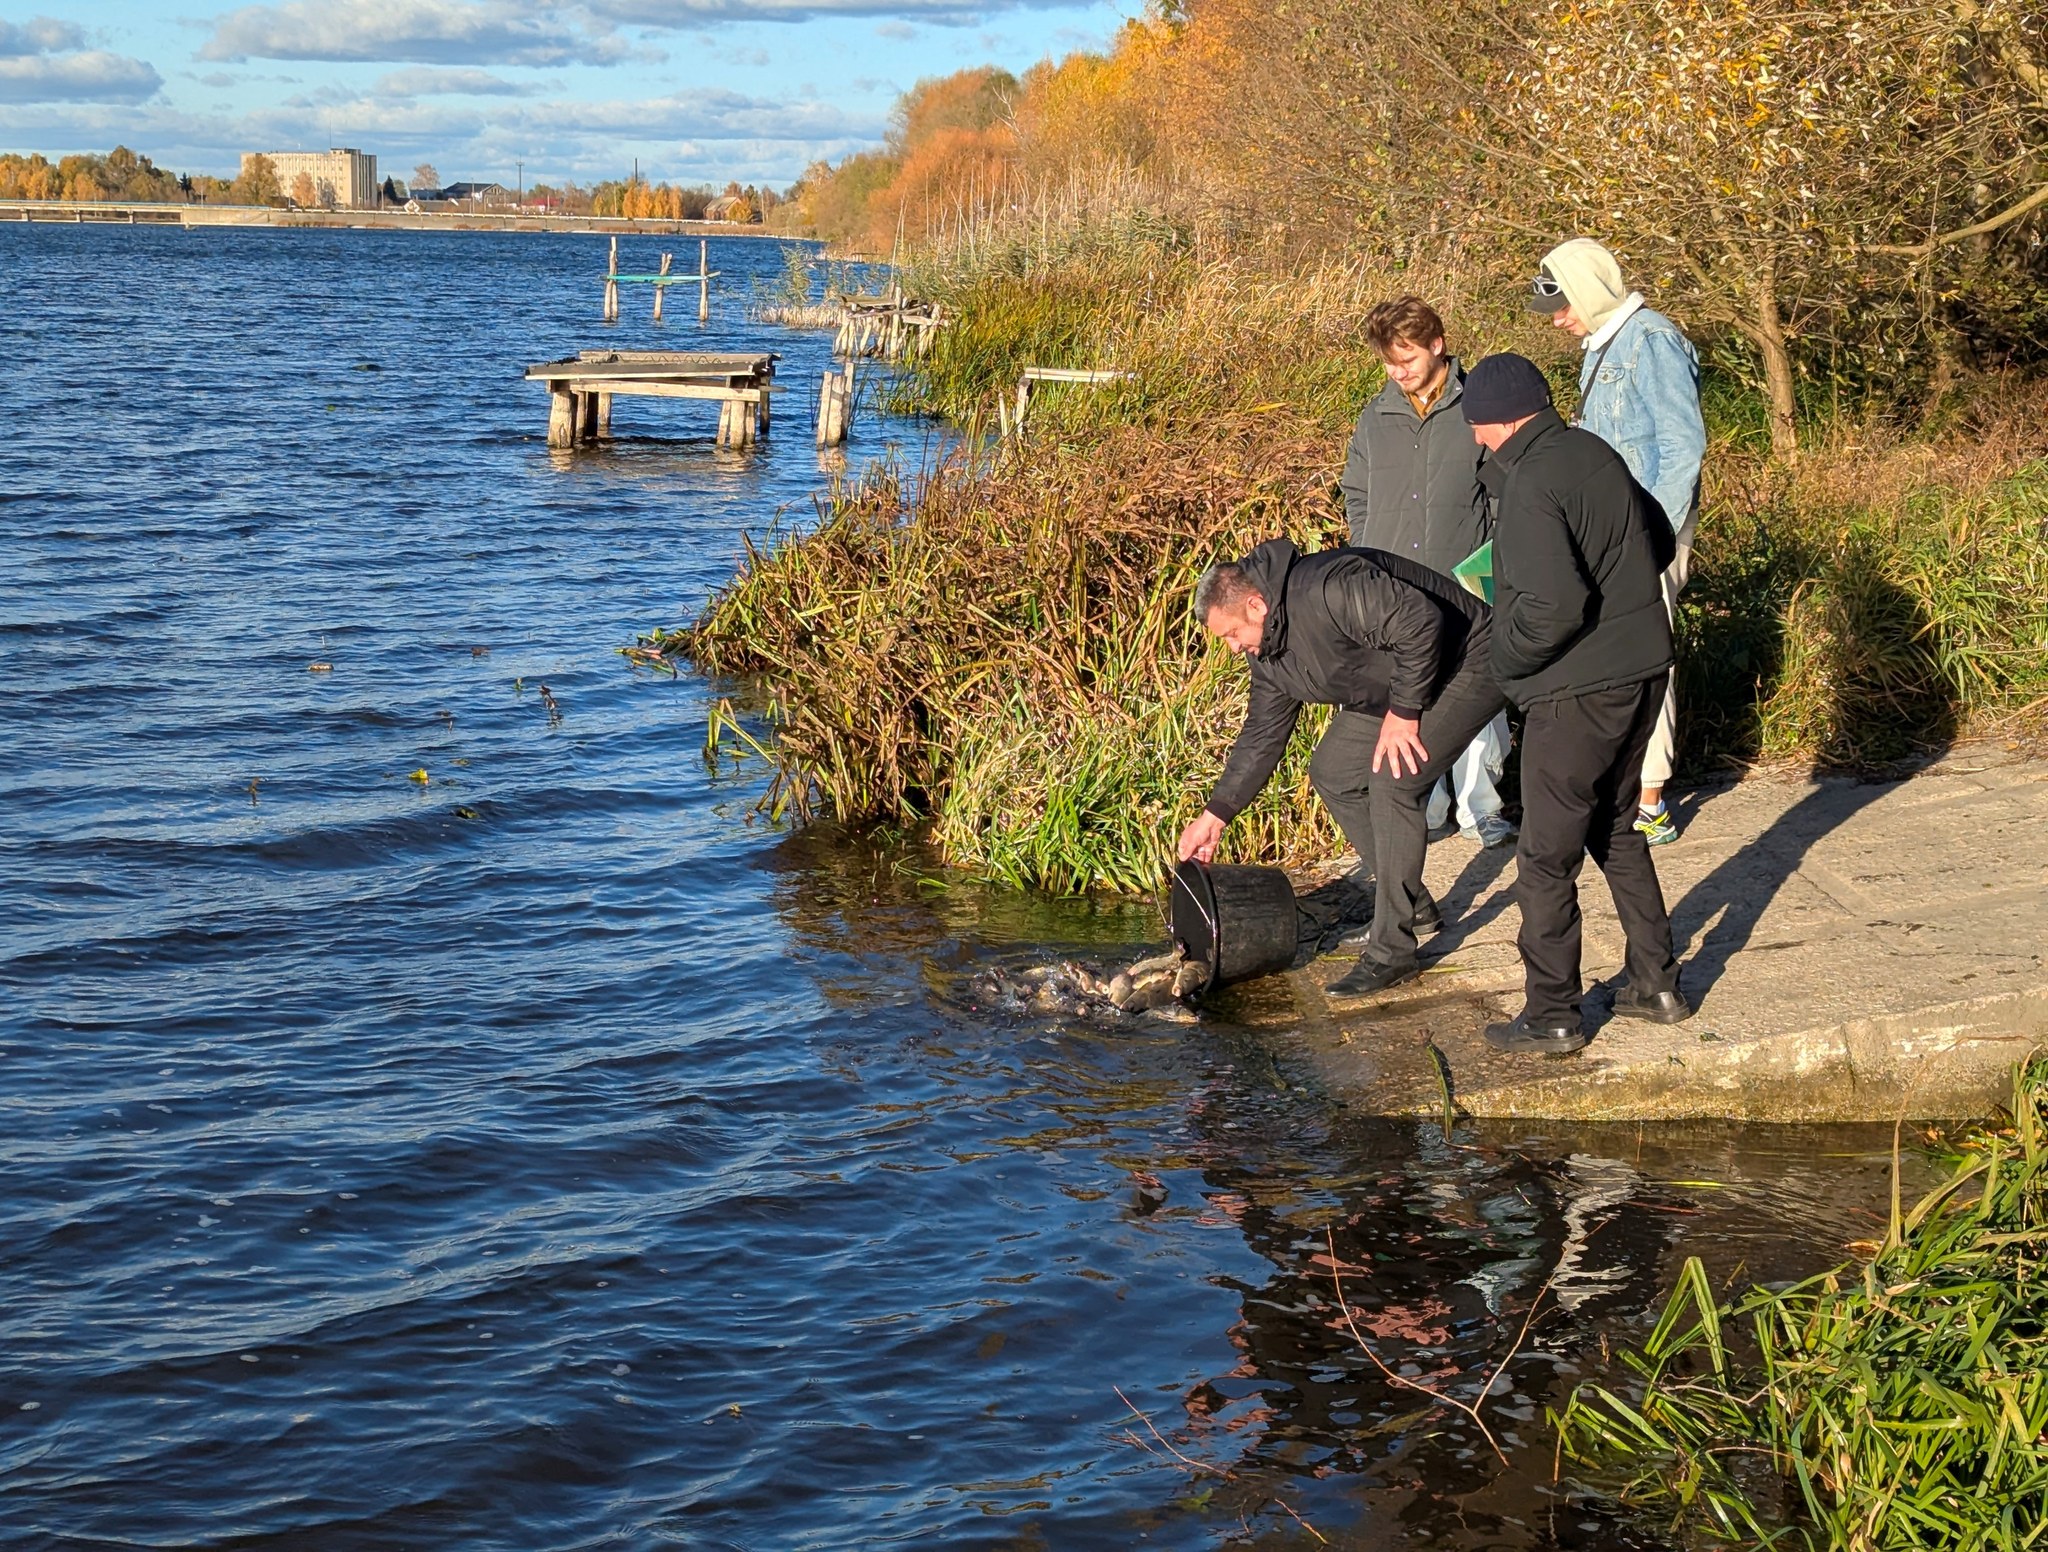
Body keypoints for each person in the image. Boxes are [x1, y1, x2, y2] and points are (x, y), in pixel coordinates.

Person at [1459, 353, 1690, 1055]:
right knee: (1617, 828)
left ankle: (1553, 1012)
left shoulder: (1529, 483)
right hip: (1645, 668)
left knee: (1544, 856)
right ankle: (1656, 983)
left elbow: (1554, 608)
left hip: (1578, 691)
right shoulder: (1594, 450)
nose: (1475, 440)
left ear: (1496, 420)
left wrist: (1502, 662)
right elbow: (1654, 540)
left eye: (1476, 427)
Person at [1176, 539, 1507, 996]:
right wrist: (1215, 815)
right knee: (1334, 772)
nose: (1234, 649)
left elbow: (1421, 621)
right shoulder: (1268, 654)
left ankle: (1392, 952)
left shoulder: (1327, 587)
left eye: (1232, 634)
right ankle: (1412, 908)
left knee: (1396, 780)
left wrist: (1405, 711)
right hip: (1400, 683)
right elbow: (1262, 735)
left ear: (1256, 605)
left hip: (1469, 657)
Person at [1529, 239, 1707, 847]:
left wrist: (1649, 537)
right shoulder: (1603, 344)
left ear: (1589, 289)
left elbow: (1683, 447)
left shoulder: (1650, 339)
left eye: (1562, 304)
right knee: (1617, 657)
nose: (1557, 318)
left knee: (1647, 653)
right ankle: (1627, 784)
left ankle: (1650, 797)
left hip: (1647, 532)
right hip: (1612, 534)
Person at [1339, 294, 1515, 849]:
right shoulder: (1375, 415)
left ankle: (1481, 809)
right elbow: (1357, 491)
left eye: (1407, 358)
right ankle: (1425, 806)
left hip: (1465, 583)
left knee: (1476, 701)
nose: (1398, 371)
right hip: (1393, 592)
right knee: (1405, 695)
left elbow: (1504, 489)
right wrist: (1365, 550)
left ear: (1437, 346)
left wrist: (1494, 562)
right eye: (1390, 362)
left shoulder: (1476, 405)